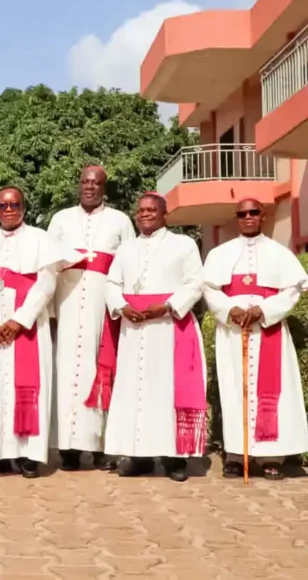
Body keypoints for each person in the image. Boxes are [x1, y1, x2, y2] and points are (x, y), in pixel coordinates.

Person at [0, 187, 80, 478]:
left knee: (31, 389)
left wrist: (19, 320)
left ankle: (29, 456)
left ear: (23, 208)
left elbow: (45, 285)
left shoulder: (41, 240)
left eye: (14, 204)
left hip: (28, 328)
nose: (9, 209)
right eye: (3, 205)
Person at [202, 198, 308, 480]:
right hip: (234, 332)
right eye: (242, 213)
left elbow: (293, 291)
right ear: (237, 217)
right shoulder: (220, 253)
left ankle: (271, 456)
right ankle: (237, 454)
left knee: (272, 392)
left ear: (262, 216)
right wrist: (229, 309)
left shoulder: (280, 253)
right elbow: (210, 290)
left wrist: (265, 310)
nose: (248, 217)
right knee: (235, 389)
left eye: (253, 212)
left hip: (268, 330)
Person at [104, 192, 206, 482]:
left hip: (168, 328)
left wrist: (168, 306)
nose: (145, 214)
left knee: (166, 391)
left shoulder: (183, 244)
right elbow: (112, 282)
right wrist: (121, 306)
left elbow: (195, 282)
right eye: (141, 210)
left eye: (151, 210)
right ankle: (140, 457)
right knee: (134, 392)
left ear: (164, 215)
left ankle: (174, 458)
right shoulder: (126, 249)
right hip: (133, 330)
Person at [46, 166, 135, 471]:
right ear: (78, 185)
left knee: (104, 371)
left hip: (103, 307)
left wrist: (124, 305)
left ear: (104, 187)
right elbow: (48, 264)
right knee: (64, 371)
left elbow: (130, 264)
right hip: (67, 303)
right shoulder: (60, 219)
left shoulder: (121, 221)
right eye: (84, 181)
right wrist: (51, 311)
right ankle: (67, 447)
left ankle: (101, 446)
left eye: (95, 183)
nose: (89, 187)